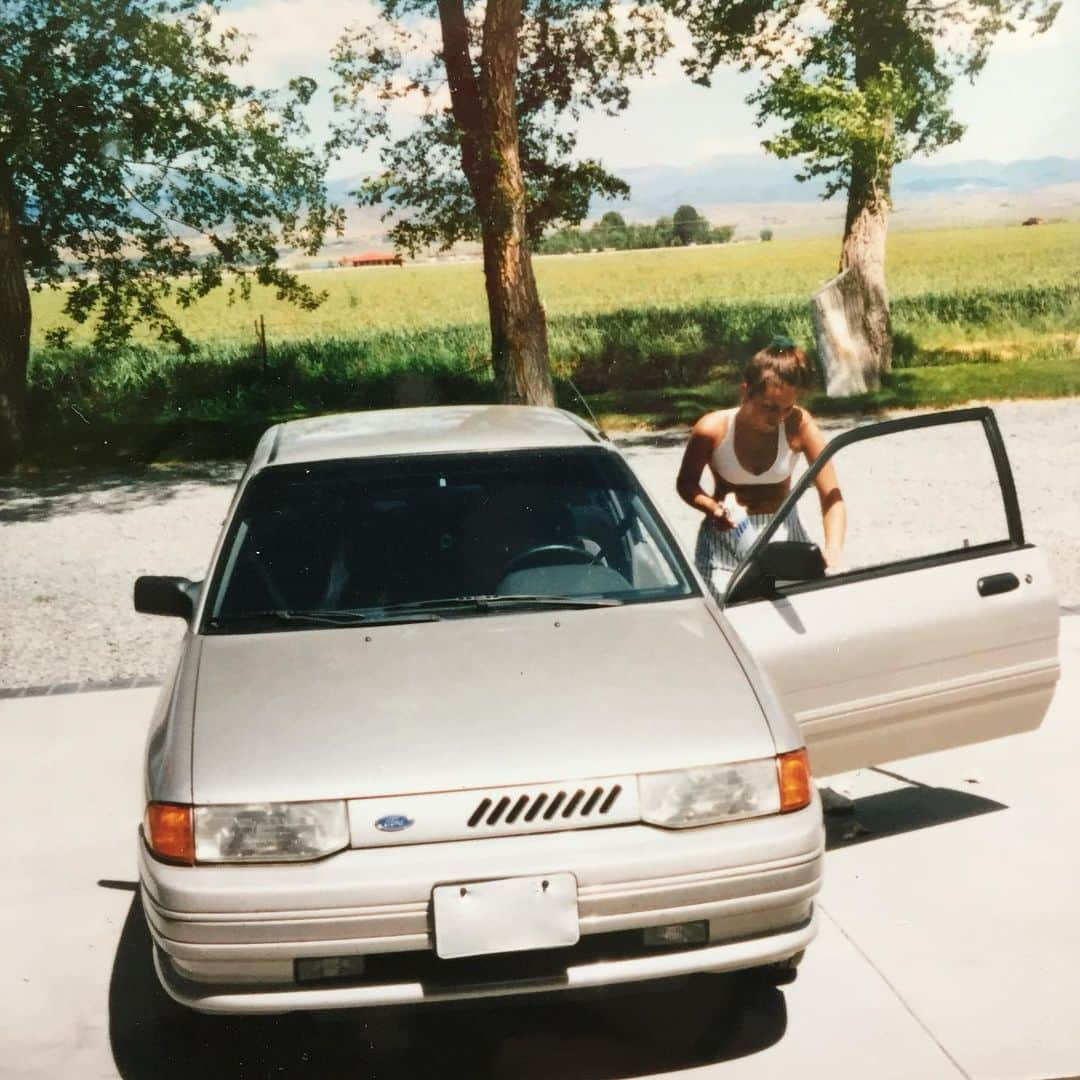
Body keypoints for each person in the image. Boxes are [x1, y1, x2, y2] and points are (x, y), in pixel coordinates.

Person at [676, 337, 846, 602]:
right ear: (746, 391)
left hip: (782, 535)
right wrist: (712, 508)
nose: (778, 417)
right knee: (725, 620)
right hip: (725, 538)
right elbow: (686, 484)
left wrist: (833, 550)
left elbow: (831, 495)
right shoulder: (712, 428)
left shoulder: (799, 424)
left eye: (787, 408)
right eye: (769, 407)